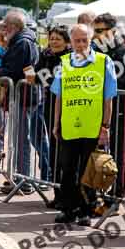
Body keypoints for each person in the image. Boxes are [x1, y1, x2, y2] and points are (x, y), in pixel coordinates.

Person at [51, 24, 118, 226]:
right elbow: (59, 96)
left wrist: (105, 126)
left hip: (92, 126)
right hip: (69, 126)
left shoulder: (103, 61)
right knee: (67, 170)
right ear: (70, 42)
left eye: (84, 40)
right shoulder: (64, 63)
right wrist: (56, 123)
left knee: (87, 172)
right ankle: (68, 210)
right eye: (76, 41)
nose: (80, 45)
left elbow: (108, 99)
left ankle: (86, 211)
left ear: (90, 41)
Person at [0, 10, 42, 193]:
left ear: (14, 27)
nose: (4, 30)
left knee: (22, 139)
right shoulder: (22, 41)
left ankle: (23, 180)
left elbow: (12, 70)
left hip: (24, 97)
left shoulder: (22, 43)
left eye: (6, 27)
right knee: (18, 138)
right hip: (22, 96)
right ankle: (19, 177)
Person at [92, 13, 125, 208]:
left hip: (121, 111)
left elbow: (116, 83)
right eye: (94, 31)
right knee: (99, 154)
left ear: (112, 31)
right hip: (101, 111)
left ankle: (117, 196)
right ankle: (99, 192)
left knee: (118, 155)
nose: (96, 35)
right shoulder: (97, 51)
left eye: (100, 31)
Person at [34, 24, 71, 207]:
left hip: (69, 106)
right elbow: (37, 74)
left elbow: (48, 78)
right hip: (50, 104)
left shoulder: (72, 58)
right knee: (55, 150)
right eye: (52, 38)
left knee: (67, 153)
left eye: (58, 38)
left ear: (66, 41)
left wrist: (43, 77)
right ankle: (57, 195)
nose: (54, 41)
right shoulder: (45, 55)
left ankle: (68, 195)